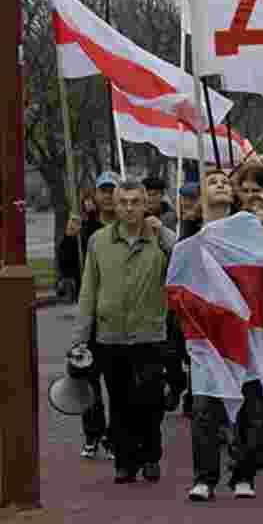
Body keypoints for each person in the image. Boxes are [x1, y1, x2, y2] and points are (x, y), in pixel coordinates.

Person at [71, 178, 169, 484]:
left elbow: (183, 257)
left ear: (145, 205)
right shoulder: (98, 241)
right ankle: (125, 462)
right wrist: (79, 338)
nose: (129, 208)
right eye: (123, 202)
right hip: (110, 335)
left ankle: (150, 455)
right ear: (114, 205)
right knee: (120, 400)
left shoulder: (158, 238)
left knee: (150, 398)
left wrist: (164, 232)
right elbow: (89, 290)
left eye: (135, 202)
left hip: (149, 333)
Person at [184, 169, 263, 502]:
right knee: (204, 405)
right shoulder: (190, 232)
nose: (220, 184)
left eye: (224, 182)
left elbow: (260, 266)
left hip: (243, 330)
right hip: (206, 332)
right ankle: (204, 478)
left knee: (249, 406)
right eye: (212, 182)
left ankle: (243, 475)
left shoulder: (247, 228)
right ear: (201, 196)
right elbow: (179, 278)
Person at [64, 173, 119, 460]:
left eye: (113, 190)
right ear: (95, 196)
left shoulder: (132, 227)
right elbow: (68, 269)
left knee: (119, 383)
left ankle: (115, 437)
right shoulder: (85, 231)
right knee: (88, 378)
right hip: (92, 318)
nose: (108, 196)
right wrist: (68, 239)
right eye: (103, 191)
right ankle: (93, 434)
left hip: (121, 318)